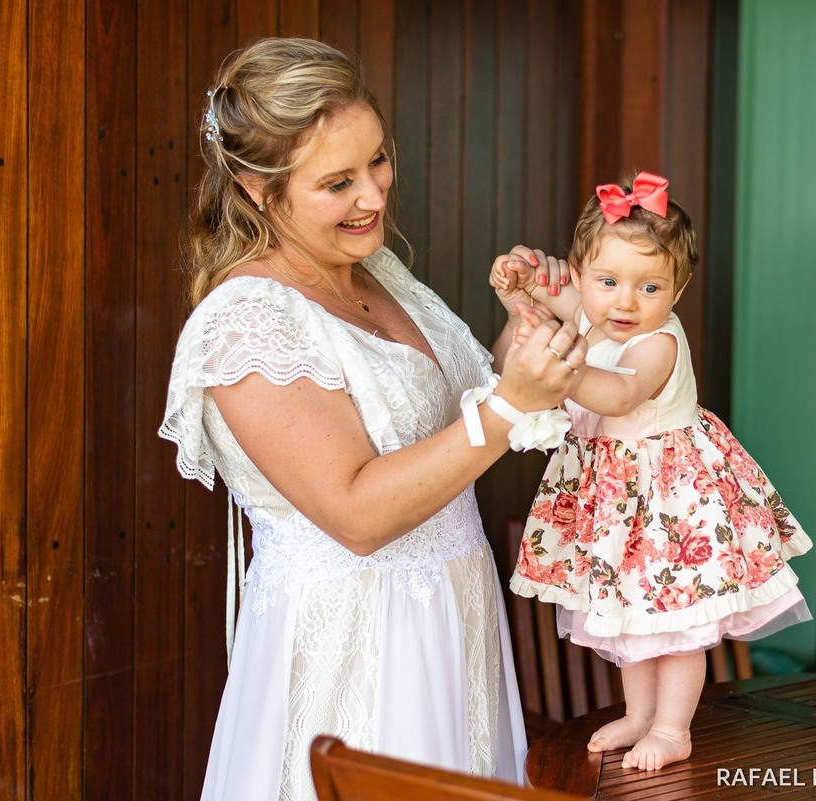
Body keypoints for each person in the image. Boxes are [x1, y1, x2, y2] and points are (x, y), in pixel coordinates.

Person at [159, 37, 587, 801]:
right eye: (337, 182)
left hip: (454, 622)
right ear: (257, 187)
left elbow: (456, 420)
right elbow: (356, 511)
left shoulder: (377, 271)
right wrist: (512, 402)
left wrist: (530, 330)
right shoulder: (245, 323)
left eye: (379, 161)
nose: (373, 197)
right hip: (356, 647)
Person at [490, 172, 813, 771]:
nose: (625, 302)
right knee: (629, 614)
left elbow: (617, 395)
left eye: (650, 287)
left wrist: (559, 366)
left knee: (678, 616)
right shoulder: (595, 313)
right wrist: (524, 278)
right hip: (616, 500)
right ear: (583, 277)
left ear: (678, 290)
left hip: (670, 501)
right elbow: (543, 293)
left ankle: (671, 727)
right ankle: (638, 715)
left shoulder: (658, 342)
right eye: (607, 282)